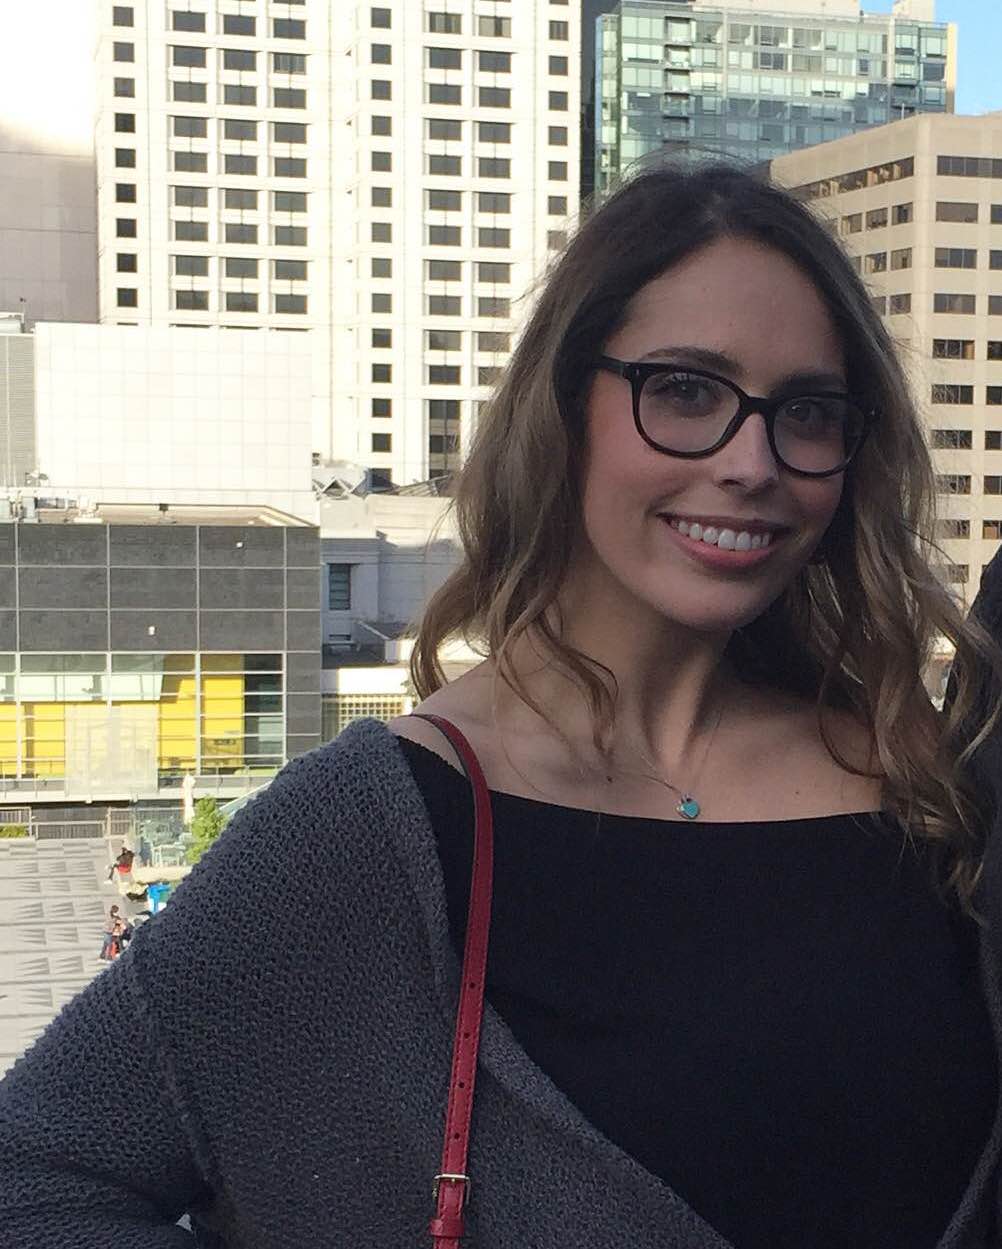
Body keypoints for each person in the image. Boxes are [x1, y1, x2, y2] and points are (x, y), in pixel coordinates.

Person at [2, 162, 1002, 1248]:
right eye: (684, 391)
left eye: (808, 411)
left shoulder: (926, 787)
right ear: (564, 407)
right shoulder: (370, 827)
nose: (751, 460)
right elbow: (36, 1172)